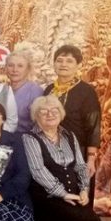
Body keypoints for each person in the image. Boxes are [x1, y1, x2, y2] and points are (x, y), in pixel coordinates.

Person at [22, 95, 109, 221]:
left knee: (92, 219)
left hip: (74, 193)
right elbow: (38, 171)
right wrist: (63, 194)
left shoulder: (69, 135)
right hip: (46, 196)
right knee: (75, 219)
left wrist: (84, 189)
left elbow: (80, 165)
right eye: (44, 111)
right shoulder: (30, 138)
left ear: (61, 114)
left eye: (54, 110)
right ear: (36, 116)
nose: (50, 114)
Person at [43, 45, 101, 187]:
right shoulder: (49, 90)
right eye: (59, 60)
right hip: (50, 152)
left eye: (69, 61)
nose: (63, 64)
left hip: (77, 153)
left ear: (78, 65)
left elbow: (93, 127)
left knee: (76, 193)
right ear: (54, 64)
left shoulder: (86, 91)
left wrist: (91, 159)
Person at [4, 51, 43, 134]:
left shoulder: (35, 91)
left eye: (20, 66)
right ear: (6, 68)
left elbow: (40, 125)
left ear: (28, 69)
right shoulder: (2, 89)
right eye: (11, 65)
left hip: (26, 138)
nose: (15, 70)